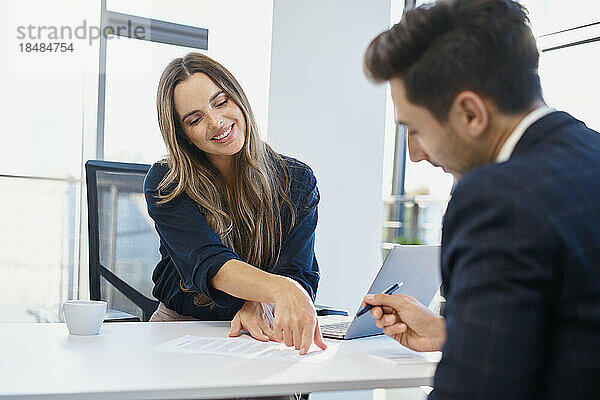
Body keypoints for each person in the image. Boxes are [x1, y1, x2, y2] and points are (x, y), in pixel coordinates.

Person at [361, 0, 600, 398]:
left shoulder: (497, 199)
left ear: (470, 113)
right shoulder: (589, 153)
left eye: (414, 129)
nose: (415, 154)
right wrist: (451, 333)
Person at [144, 52, 326, 357]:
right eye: (195, 119)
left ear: (238, 98)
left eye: (220, 102)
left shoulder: (296, 180)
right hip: (183, 327)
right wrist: (280, 290)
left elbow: (296, 269)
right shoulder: (167, 182)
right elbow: (210, 263)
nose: (216, 122)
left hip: (264, 326)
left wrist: (260, 300)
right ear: (182, 134)